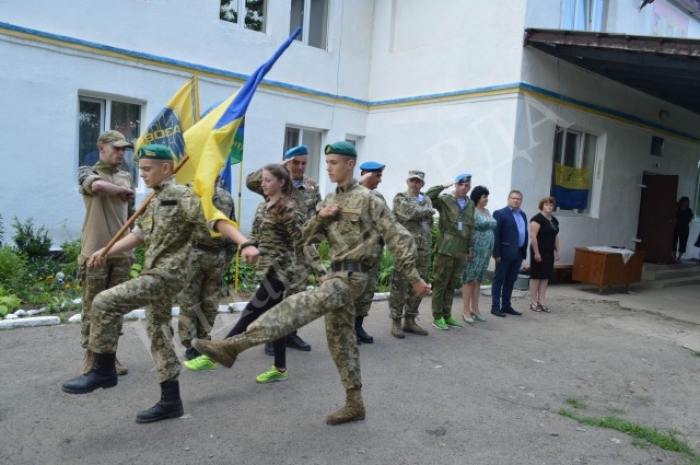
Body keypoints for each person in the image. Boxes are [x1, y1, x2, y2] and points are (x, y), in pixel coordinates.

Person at [192, 141, 432, 426]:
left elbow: (398, 236)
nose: (328, 167)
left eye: (334, 162)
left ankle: (233, 346)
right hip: (335, 273)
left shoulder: (368, 199)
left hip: (354, 277)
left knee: (297, 304)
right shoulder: (329, 199)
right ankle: (355, 403)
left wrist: (414, 277)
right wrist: (320, 216)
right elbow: (304, 237)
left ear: (350, 164)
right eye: (327, 162)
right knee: (341, 342)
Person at [61, 145, 259, 424]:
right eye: (140, 168)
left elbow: (214, 218)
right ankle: (171, 401)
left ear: (166, 168)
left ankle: (103, 369)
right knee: (158, 334)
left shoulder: (181, 194)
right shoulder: (155, 199)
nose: (141, 174)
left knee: (103, 302)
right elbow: (140, 234)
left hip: (168, 275)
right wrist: (105, 251)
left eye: (147, 168)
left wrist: (245, 242)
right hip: (154, 271)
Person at [214, 164, 321, 383]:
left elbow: (304, 241)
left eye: (267, 180)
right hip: (265, 268)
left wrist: (321, 270)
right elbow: (254, 235)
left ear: (281, 183)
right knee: (278, 322)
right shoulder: (263, 207)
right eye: (262, 179)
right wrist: (247, 248)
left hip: (281, 271)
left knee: (251, 311)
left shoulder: (289, 209)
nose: (262, 183)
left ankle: (219, 350)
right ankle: (280, 369)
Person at [246, 145, 323, 353]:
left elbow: (317, 212)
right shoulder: (274, 184)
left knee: (295, 298)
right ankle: (271, 338)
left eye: (304, 163)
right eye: (295, 162)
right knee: (274, 298)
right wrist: (277, 167)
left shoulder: (311, 186)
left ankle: (290, 335)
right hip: (278, 254)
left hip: (301, 252)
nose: (300, 167)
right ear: (287, 162)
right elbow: (250, 182)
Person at [76, 130, 136, 377]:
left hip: (121, 253)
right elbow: (98, 187)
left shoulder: (127, 177)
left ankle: (110, 357)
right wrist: (118, 191)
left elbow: (130, 214)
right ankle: (91, 358)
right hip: (95, 251)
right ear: (102, 148)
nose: (121, 154)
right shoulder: (87, 172)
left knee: (114, 308)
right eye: (116, 149)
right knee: (93, 307)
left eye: (124, 150)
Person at [178, 184, 237, 371]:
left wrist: (229, 256)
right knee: (189, 302)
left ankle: (204, 341)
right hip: (193, 256)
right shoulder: (188, 196)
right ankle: (191, 345)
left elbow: (231, 225)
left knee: (209, 304)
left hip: (217, 257)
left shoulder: (226, 198)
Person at [426, 174, 475, 330]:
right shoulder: (446, 199)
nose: (463, 187)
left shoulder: (470, 204)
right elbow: (428, 197)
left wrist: (468, 248)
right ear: (455, 185)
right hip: (445, 249)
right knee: (440, 283)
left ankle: (447, 314)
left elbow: (470, 227)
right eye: (461, 184)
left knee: (452, 284)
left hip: (460, 251)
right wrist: (443, 185)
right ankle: (437, 316)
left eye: (467, 185)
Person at [388, 170, 433, 338]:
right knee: (400, 285)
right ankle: (396, 322)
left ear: (422, 184)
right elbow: (409, 213)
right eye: (412, 181)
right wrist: (427, 211)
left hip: (423, 249)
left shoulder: (426, 199)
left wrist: (426, 210)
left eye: (418, 181)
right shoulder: (400, 198)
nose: (414, 184)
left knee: (419, 286)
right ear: (407, 182)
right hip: (405, 249)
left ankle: (410, 320)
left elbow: (427, 221)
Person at [354, 160, 386, 344]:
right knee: (353, 293)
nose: (380, 180)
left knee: (367, 292)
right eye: (377, 176)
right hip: (356, 255)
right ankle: (348, 329)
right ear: (366, 174)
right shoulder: (351, 195)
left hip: (374, 254)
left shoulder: (379, 197)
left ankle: (358, 326)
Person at [460, 185, 496, 324]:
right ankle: (465, 310)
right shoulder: (471, 211)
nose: (487, 199)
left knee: (478, 280)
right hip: (474, 250)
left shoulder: (487, 211)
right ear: (477, 197)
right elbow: (465, 231)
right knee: (469, 280)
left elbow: (490, 229)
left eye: (487, 196)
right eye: (484, 196)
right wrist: (466, 249)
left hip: (485, 251)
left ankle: (475, 308)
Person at [491, 190, 528, 317]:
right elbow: (496, 235)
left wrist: (523, 252)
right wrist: (496, 253)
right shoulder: (500, 213)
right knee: (499, 279)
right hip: (504, 253)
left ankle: (506, 305)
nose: (516, 200)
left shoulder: (522, 215)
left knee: (511, 280)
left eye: (519, 199)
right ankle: (495, 307)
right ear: (508, 199)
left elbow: (524, 233)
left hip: (518, 253)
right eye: (513, 198)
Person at [528, 197, 560, 313]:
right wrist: (536, 252)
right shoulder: (537, 219)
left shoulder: (554, 220)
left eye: (551, 205)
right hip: (538, 250)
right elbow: (533, 236)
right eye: (546, 205)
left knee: (545, 276)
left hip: (549, 251)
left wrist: (558, 251)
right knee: (536, 276)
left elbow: (555, 236)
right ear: (542, 206)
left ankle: (542, 301)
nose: (549, 207)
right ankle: (533, 301)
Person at [673, 196, 694, 262]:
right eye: (684, 202)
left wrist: (687, 220)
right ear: (681, 202)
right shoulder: (678, 209)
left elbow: (691, 218)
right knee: (674, 241)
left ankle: (679, 257)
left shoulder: (689, 210)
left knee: (683, 242)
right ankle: (674, 256)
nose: (685, 203)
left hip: (685, 228)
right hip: (677, 227)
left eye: (687, 202)